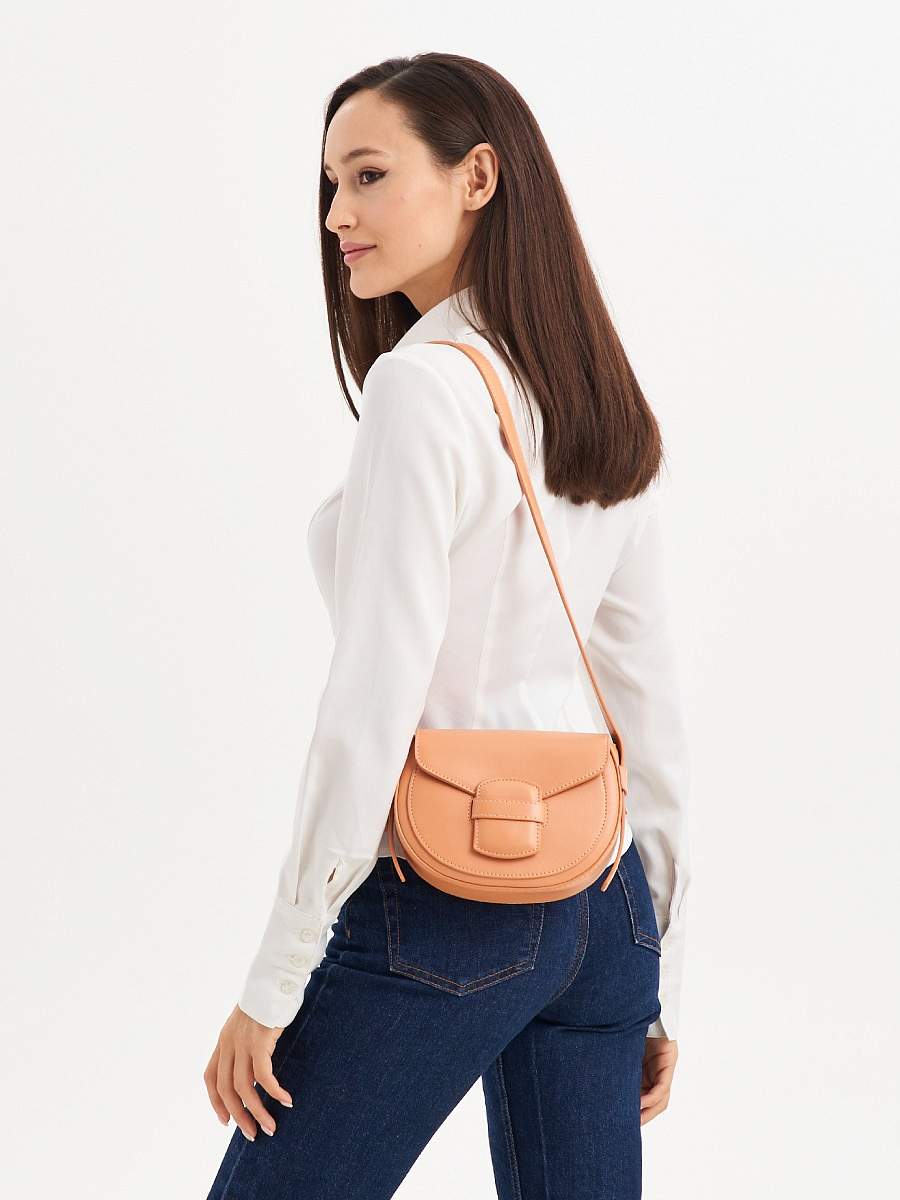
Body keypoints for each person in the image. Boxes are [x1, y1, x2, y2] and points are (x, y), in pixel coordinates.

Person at [203, 51, 691, 1200]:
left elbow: (373, 701)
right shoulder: (593, 394)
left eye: (369, 175)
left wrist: (276, 977)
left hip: (453, 905)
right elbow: (647, 698)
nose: (337, 214)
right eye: (330, 184)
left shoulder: (422, 388)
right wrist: (656, 969)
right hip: (606, 904)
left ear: (477, 177)